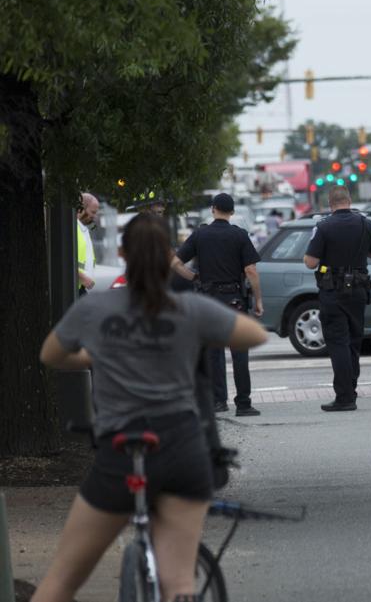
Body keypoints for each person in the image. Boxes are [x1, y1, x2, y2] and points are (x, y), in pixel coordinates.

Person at [33, 213, 267, 602]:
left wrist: (97, 357)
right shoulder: (189, 309)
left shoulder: (96, 309)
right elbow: (254, 333)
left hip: (120, 452)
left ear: (123, 253)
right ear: (169, 257)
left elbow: (51, 354)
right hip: (183, 448)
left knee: (60, 583)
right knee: (179, 584)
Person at [172, 193, 264, 417]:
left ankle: (218, 401)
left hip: (209, 301)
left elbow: (175, 263)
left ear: (213, 209)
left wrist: (194, 278)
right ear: (232, 212)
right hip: (234, 299)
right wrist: (258, 300)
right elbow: (251, 271)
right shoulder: (240, 235)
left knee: (213, 353)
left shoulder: (200, 234)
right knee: (239, 353)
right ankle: (243, 403)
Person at [303, 186, 371, 412]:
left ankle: (344, 397)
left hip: (333, 292)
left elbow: (310, 262)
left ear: (331, 203)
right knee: (354, 343)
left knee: (338, 342)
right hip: (358, 291)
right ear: (349, 200)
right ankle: (351, 391)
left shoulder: (323, 227)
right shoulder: (367, 224)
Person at [76, 192, 99, 296]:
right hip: (75, 287)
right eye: (93, 212)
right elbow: (64, 259)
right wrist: (82, 278)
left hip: (80, 286)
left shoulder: (83, 229)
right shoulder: (73, 228)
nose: (94, 216)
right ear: (81, 208)